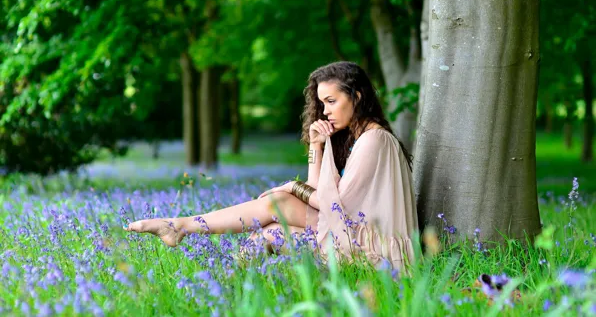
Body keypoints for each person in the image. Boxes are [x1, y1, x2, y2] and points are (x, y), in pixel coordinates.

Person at [125, 61, 419, 270]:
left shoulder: (374, 141)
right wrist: (316, 146)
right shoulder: (356, 139)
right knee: (267, 232)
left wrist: (291, 187)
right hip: (351, 234)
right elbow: (317, 191)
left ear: (357, 96)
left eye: (331, 101)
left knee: (276, 203)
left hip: (374, 252)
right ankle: (228, 286)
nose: (326, 111)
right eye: (322, 103)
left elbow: (334, 206)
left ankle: (182, 227)